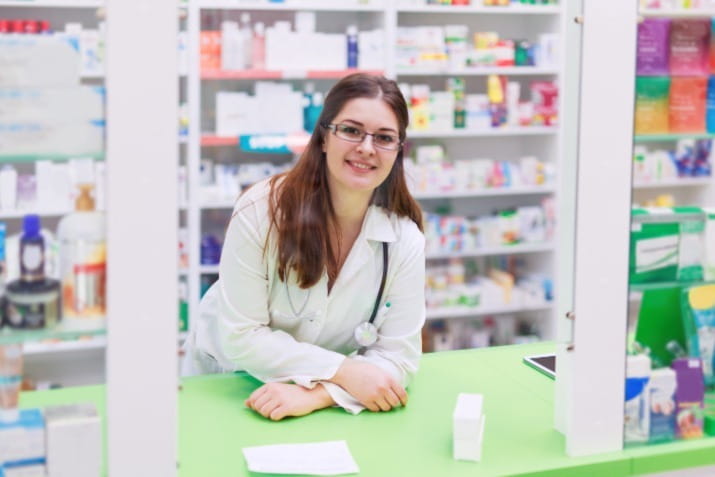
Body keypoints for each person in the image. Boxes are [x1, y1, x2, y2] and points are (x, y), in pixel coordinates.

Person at [182, 73, 426, 421]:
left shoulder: (404, 241)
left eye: (384, 138)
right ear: (324, 137)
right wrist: (345, 372)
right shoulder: (262, 211)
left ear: (398, 150)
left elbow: (398, 358)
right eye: (352, 130)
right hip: (228, 383)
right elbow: (242, 336)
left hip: (312, 401)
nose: (367, 148)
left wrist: (318, 394)